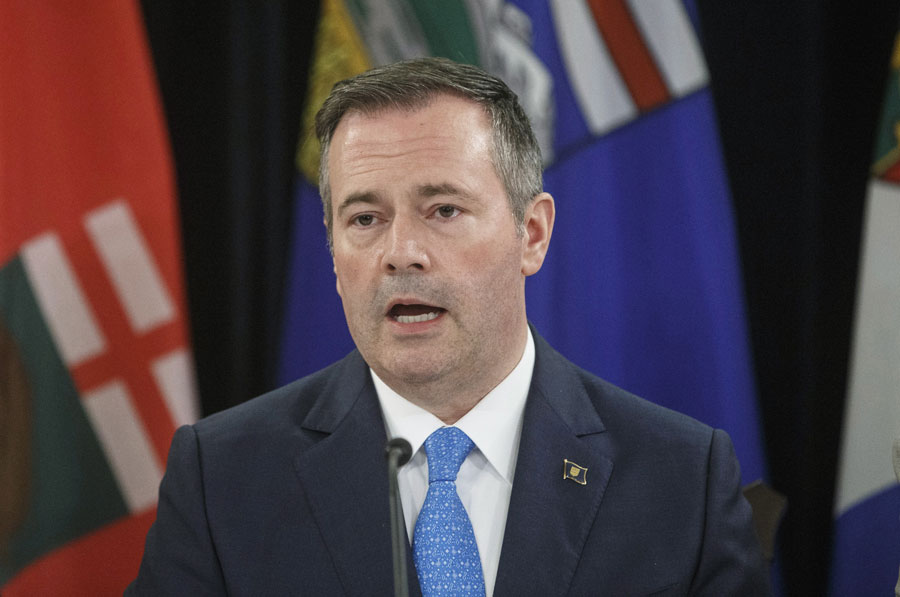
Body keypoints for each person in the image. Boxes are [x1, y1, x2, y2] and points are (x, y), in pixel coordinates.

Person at [128, 57, 770, 596]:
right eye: (364, 218)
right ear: (331, 251)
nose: (400, 251)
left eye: (443, 209)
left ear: (533, 233)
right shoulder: (223, 481)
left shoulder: (681, 482)